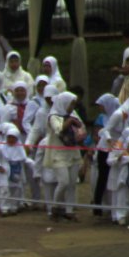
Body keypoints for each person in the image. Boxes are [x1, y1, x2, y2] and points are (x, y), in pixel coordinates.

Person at [43, 92, 85, 221]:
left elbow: (82, 127)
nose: (72, 107)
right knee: (64, 182)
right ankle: (55, 208)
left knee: (72, 183)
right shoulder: (53, 116)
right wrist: (70, 121)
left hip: (72, 152)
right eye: (71, 104)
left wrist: (81, 133)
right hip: (58, 154)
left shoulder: (72, 115)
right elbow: (58, 129)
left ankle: (69, 210)